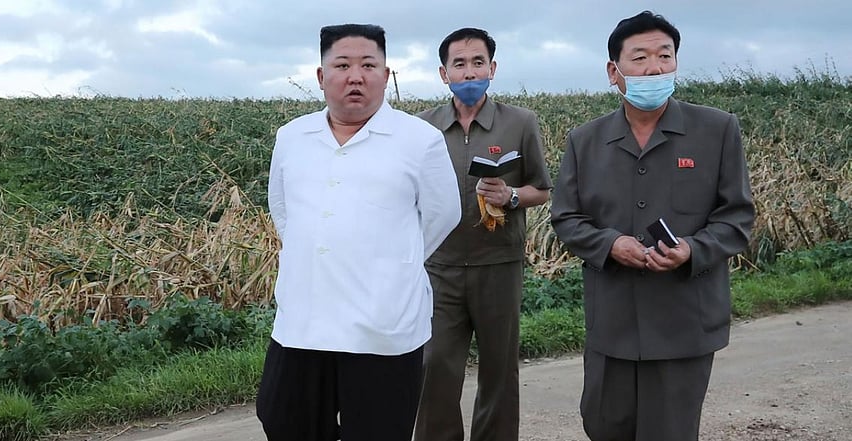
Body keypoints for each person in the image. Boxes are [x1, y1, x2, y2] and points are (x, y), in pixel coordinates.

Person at [549, 11, 755, 441]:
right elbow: (566, 217)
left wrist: (693, 250)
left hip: (683, 323)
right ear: (614, 71)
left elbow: (737, 217)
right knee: (605, 425)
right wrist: (610, 244)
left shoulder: (717, 130)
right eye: (639, 58)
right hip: (612, 323)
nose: (654, 68)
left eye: (665, 55)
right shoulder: (585, 140)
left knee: (670, 432)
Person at [257, 23, 461, 441]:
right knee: (283, 419)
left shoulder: (418, 140)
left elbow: (442, 215)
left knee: (378, 430)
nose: (356, 76)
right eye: (342, 65)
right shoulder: (292, 137)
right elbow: (284, 212)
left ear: (386, 75)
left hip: (382, 325)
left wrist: (390, 258)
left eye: (369, 65)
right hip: (302, 321)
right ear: (321, 76)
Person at [415, 27, 553, 441]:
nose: (469, 71)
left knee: (499, 370)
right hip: (439, 268)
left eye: (478, 63)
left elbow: (542, 189)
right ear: (444, 73)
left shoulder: (520, 123)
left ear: (493, 68)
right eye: (459, 64)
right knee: (435, 366)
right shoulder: (423, 128)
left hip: (499, 263)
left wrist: (511, 195)